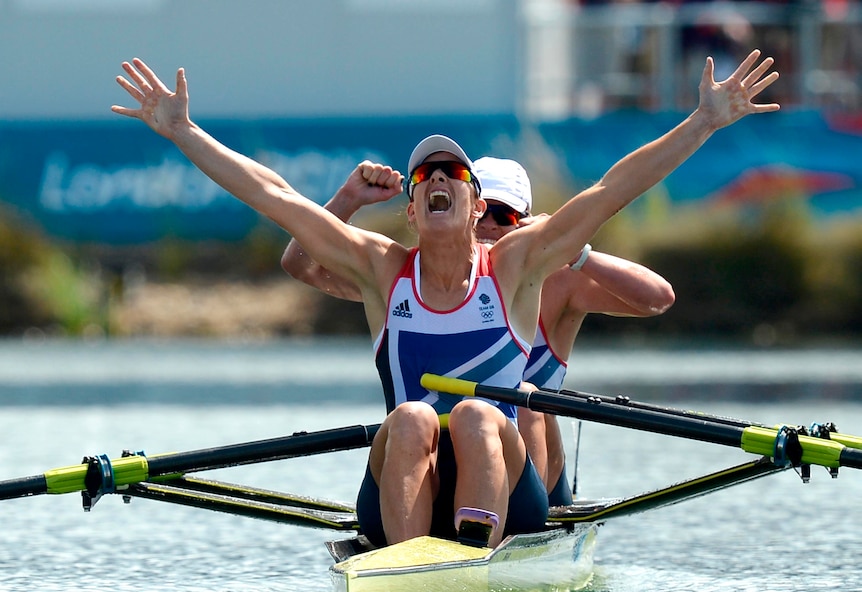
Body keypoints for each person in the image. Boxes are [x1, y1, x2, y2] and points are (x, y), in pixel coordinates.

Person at [112, 50, 779, 548]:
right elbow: (277, 199)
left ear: (472, 207)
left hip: (513, 495)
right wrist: (184, 133)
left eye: (452, 172)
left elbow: (610, 191)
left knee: (477, 417)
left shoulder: (517, 265)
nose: (437, 177)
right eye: (425, 173)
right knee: (410, 420)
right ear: (410, 209)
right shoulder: (380, 269)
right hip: (403, 481)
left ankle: (468, 556)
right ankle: (411, 574)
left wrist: (703, 121)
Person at [281, 157, 676, 507]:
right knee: (416, 419)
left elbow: (657, 299)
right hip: (438, 458)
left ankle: (519, 526)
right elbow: (302, 265)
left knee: (524, 397)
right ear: (469, 209)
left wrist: (578, 253)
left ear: (525, 224)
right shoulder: (418, 283)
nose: (488, 226)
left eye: (503, 217)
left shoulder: (561, 284)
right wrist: (347, 202)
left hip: (527, 477)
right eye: (483, 214)